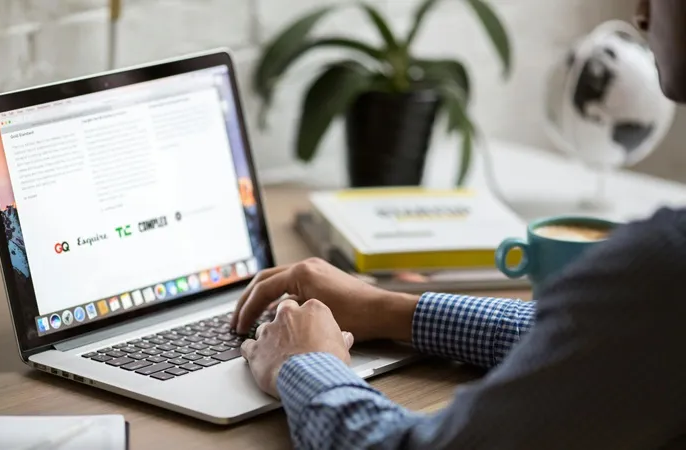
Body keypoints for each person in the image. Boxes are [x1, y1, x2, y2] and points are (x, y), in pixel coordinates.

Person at [231, 1, 686, 448]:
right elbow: (603, 342)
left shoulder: (664, 265)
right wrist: (391, 310)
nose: (641, 12)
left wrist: (306, 364)